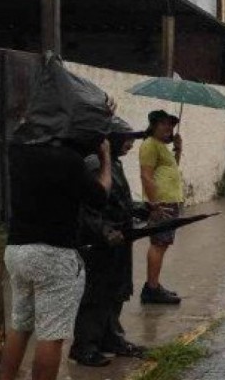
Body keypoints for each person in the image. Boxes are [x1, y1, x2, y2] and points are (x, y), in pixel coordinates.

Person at [0, 136, 112, 380]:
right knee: (51, 336)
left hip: (17, 250)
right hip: (54, 254)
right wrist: (106, 159)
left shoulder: (19, 149)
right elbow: (100, 196)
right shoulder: (69, 160)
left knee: (20, 325)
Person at [70, 117, 149, 366]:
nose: (131, 144)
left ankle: (111, 338)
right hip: (99, 243)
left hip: (119, 240)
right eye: (127, 138)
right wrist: (103, 231)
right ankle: (84, 346)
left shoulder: (114, 164)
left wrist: (142, 209)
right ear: (110, 139)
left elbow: (118, 201)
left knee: (116, 291)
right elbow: (87, 207)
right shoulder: (96, 165)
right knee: (97, 294)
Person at [139, 110, 184, 304]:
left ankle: (154, 285)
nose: (169, 128)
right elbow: (146, 176)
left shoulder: (162, 146)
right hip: (161, 204)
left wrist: (178, 150)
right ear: (154, 125)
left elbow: (171, 169)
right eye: (164, 124)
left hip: (169, 202)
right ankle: (151, 289)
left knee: (163, 244)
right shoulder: (150, 145)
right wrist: (154, 203)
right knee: (158, 244)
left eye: (171, 125)